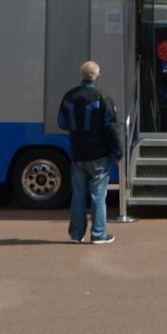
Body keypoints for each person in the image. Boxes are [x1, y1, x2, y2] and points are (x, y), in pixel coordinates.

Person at [57, 59, 119, 244]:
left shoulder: (69, 96)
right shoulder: (102, 96)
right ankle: (98, 234)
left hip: (77, 153)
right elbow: (110, 127)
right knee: (98, 195)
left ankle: (76, 234)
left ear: (81, 75)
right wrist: (118, 151)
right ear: (97, 77)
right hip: (98, 154)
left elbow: (62, 122)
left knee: (78, 194)